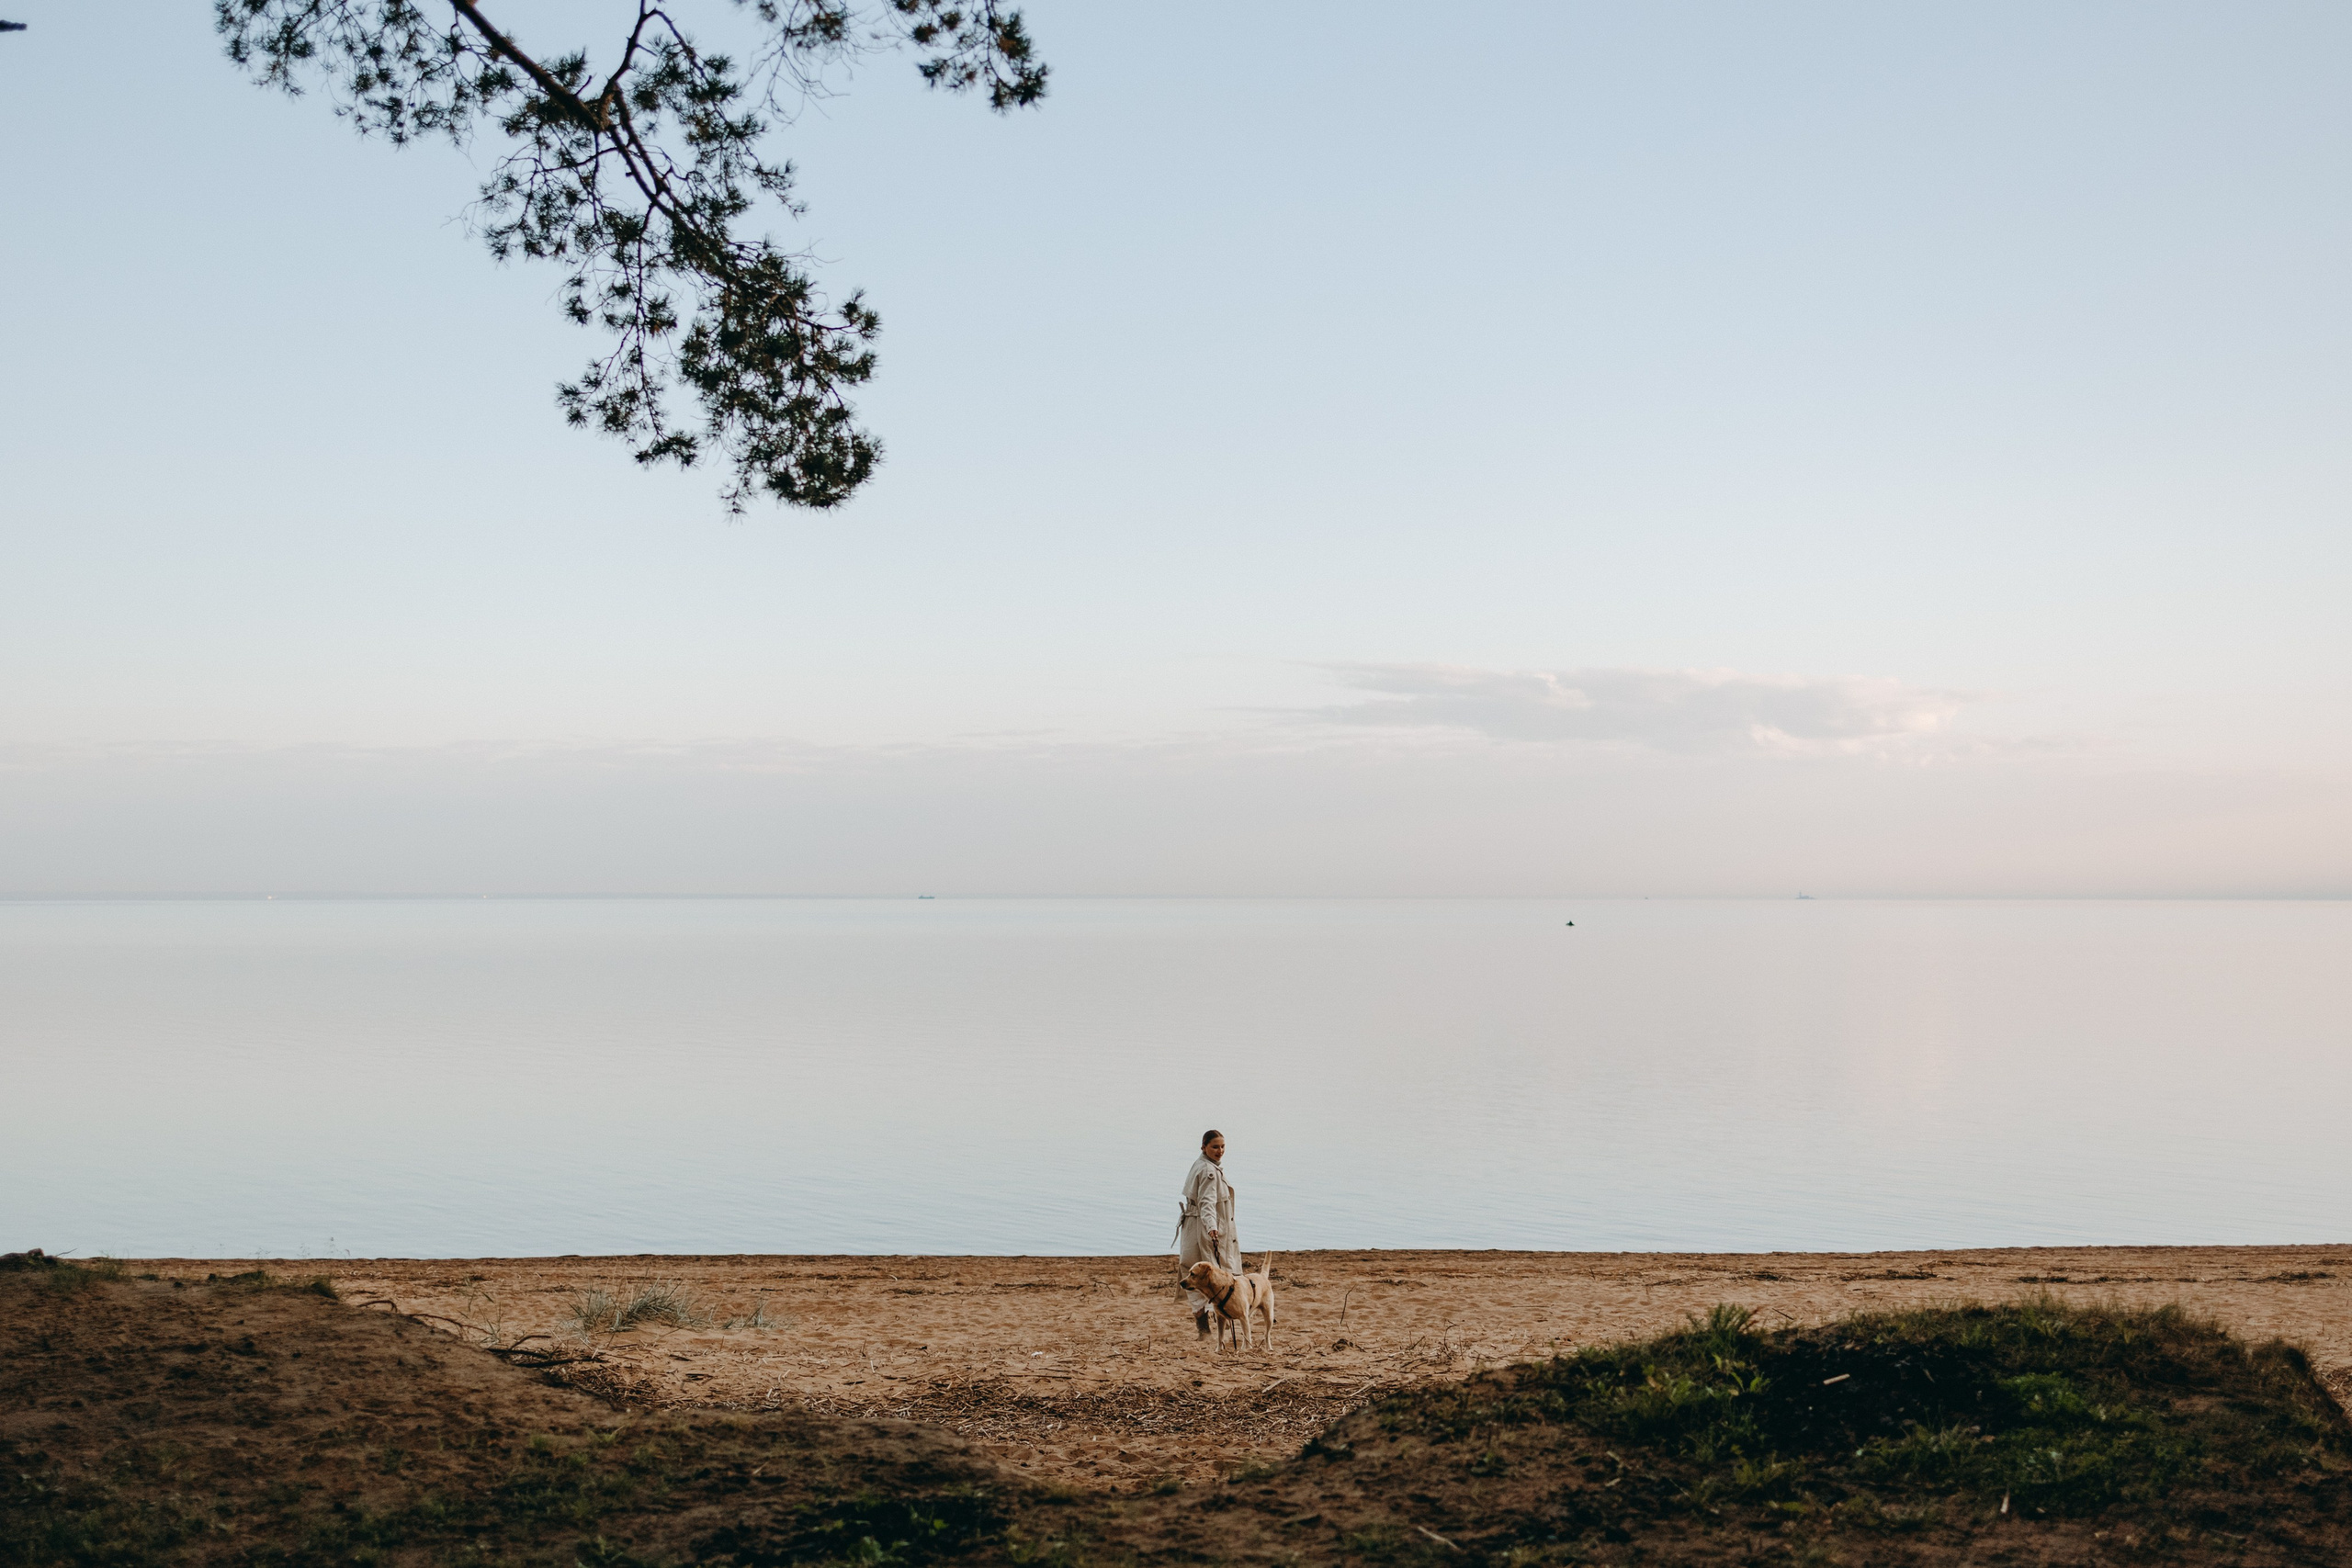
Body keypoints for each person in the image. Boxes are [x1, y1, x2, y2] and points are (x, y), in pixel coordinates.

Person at [1173, 1128, 1238, 1338]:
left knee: (1191, 1272)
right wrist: (1212, 1227)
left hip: (1192, 1227)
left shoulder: (1201, 1164)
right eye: (1215, 1147)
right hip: (1204, 1228)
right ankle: (1221, 1323)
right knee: (1218, 1275)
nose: (1220, 1151)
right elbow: (1207, 1202)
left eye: (1222, 1147)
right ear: (1204, 1147)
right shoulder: (1209, 1172)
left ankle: (1203, 1328)